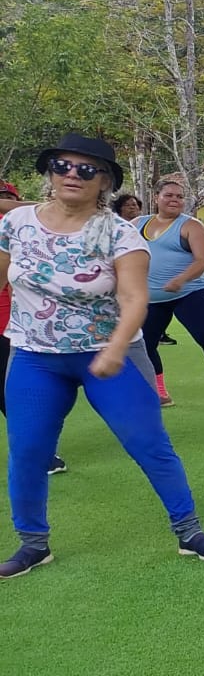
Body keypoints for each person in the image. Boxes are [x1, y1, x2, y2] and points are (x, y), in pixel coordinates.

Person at [0, 134, 204, 579]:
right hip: (35, 356)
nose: (72, 175)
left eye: (87, 170)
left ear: (104, 181)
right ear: (50, 171)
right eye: (63, 165)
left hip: (109, 355)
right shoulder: (16, 223)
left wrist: (117, 347)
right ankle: (33, 544)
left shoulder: (121, 234)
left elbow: (134, 300)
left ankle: (189, 531)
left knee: (149, 445)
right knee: (27, 451)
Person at [135, 179, 204, 405]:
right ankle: (160, 393)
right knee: (145, 344)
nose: (175, 200)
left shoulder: (191, 226)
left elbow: (203, 260)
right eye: (169, 195)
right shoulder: (137, 224)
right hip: (152, 298)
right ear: (156, 197)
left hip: (190, 293)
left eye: (179, 196)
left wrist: (181, 279)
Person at [0, 181, 71, 477]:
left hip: (7, 318)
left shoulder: (23, 225)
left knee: (10, 391)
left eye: (7, 197)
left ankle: (40, 451)